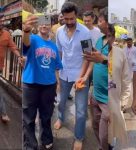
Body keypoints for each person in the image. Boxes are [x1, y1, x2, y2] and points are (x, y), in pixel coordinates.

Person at [53, 2, 92, 150]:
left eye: (72, 19)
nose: (69, 22)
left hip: (80, 75)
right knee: (61, 102)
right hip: (64, 74)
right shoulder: (59, 32)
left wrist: (81, 77)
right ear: (62, 17)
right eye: (66, 19)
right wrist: (56, 75)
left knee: (81, 110)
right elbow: (59, 53)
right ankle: (61, 118)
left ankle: (79, 137)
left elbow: (87, 57)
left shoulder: (85, 33)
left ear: (77, 16)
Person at [22, 15, 62, 150]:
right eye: (42, 23)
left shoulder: (54, 46)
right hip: (31, 84)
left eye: (47, 23)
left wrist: (58, 84)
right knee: (29, 117)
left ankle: (46, 139)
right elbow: (25, 43)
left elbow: (56, 67)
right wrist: (26, 31)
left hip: (49, 86)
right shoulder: (32, 39)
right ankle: (30, 144)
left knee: (46, 116)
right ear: (38, 25)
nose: (44, 26)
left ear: (51, 25)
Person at [83, 9, 110, 150]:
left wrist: (104, 60)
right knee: (95, 125)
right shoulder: (100, 40)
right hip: (96, 94)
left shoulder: (116, 43)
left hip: (109, 97)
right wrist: (86, 76)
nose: (98, 24)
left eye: (100, 21)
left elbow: (119, 66)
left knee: (106, 133)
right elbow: (94, 60)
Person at [0, 20, 22, 123]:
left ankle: (3, 113)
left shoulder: (6, 34)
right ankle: (3, 112)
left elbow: (13, 47)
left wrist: (18, 56)